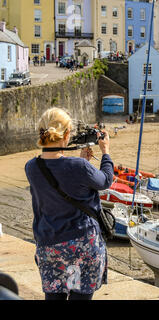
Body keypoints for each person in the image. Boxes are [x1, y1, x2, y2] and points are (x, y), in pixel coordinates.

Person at [24, 107, 113, 300]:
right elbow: (105, 180)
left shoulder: (31, 167)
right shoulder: (78, 167)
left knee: (54, 297)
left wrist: (81, 162)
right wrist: (105, 152)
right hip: (80, 246)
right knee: (78, 296)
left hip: (49, 246)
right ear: (66, 135)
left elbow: (60, 179)